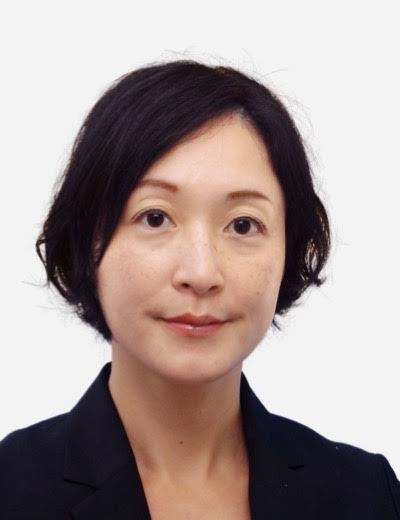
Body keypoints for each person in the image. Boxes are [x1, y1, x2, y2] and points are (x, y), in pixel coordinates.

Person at [0, 59, 399, 519]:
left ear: (288, 248)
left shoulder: (367, 495)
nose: (201, 272)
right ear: (89, 242)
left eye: (243, 224)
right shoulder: (10, 490)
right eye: (155, 218)